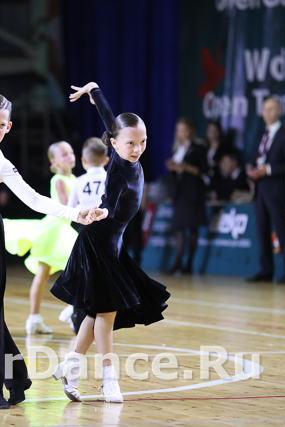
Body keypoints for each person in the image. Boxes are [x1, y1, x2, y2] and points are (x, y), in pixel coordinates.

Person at [0, 78, 97, 410]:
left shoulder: (0, 163)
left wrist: (76, 214)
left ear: (8, 127)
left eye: (1, 125)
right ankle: (18, 377)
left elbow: (34, 199)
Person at [50, 82, 170, 403]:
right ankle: (109, 379)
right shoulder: (117, 173)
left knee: (96, 312)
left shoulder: (122, 152)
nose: (138, 148)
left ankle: (71, 365)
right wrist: (102, 210)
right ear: (114, 144)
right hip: (98, 241)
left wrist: (95, 91)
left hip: (110, 244)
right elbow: (112, 203)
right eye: (131, 143)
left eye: (143, 141)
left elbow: (109, 119)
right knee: (107, 313)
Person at [3, 140, 80, 335]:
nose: (70, 157)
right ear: (54, 162)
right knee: (47, 274)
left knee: (68, 270)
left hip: (63, 230)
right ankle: (38, 317)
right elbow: (67, 207)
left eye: (71, 153)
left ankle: (62, 311)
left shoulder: (74, 179)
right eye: (64, 154)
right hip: (55, 230)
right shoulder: (59, 180)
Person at [246, 98, 285, 284]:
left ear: (279, 111)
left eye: (271, 109)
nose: (267, 113)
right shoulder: (262, 135)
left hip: (276, 189)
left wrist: (268, 170)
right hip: (260, 189)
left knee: (281, 230)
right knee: (262, 231)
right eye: (264, 109)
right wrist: (251, 170)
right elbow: (255, 158)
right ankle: (266, 270)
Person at [59, 138, 109, 332]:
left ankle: (79, 319)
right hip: (107, 234)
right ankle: (100, 320)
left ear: (84, 161)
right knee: (104, 277)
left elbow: (70, 209)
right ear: (106, 160)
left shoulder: (78, 181)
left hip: (85, 233)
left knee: (84, 275)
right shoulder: (110, 179)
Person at [166, 117, 208, 274]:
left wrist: (187, 168)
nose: (181, 133)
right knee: (179, 227)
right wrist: (172, 169)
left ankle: (189, 263)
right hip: (179, 193)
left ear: (190, 131)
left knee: (192, 227)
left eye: (184, 130)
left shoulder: (198, 147)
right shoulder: (176, 149)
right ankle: (178, 261)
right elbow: (174, 173)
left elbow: (204, 170)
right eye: (178, 130)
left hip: (193, 192)